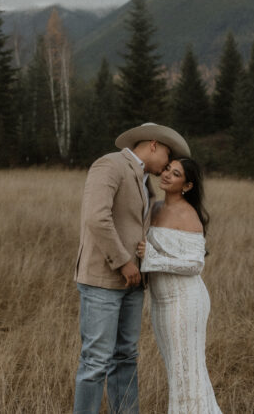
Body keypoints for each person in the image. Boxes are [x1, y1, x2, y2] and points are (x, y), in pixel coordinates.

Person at [73, 122, 191, 414]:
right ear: (153, 145)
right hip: (103, 280)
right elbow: (96, 218)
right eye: (167, 154)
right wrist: (124, 262)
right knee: (96, 361)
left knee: (126, 357)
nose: (167, 165)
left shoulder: (142, 179)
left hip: (133, 284)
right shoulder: (109, 165)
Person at [137, 157, 222, 413]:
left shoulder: (188, 214)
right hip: (161, 301)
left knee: (189, 373)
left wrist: (151, 257)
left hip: (185, 300)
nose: (166, 175)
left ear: (187, 185)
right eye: (167, 169)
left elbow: (195, 265)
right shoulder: (157, 207)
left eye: (175, 174)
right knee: (178, 372)